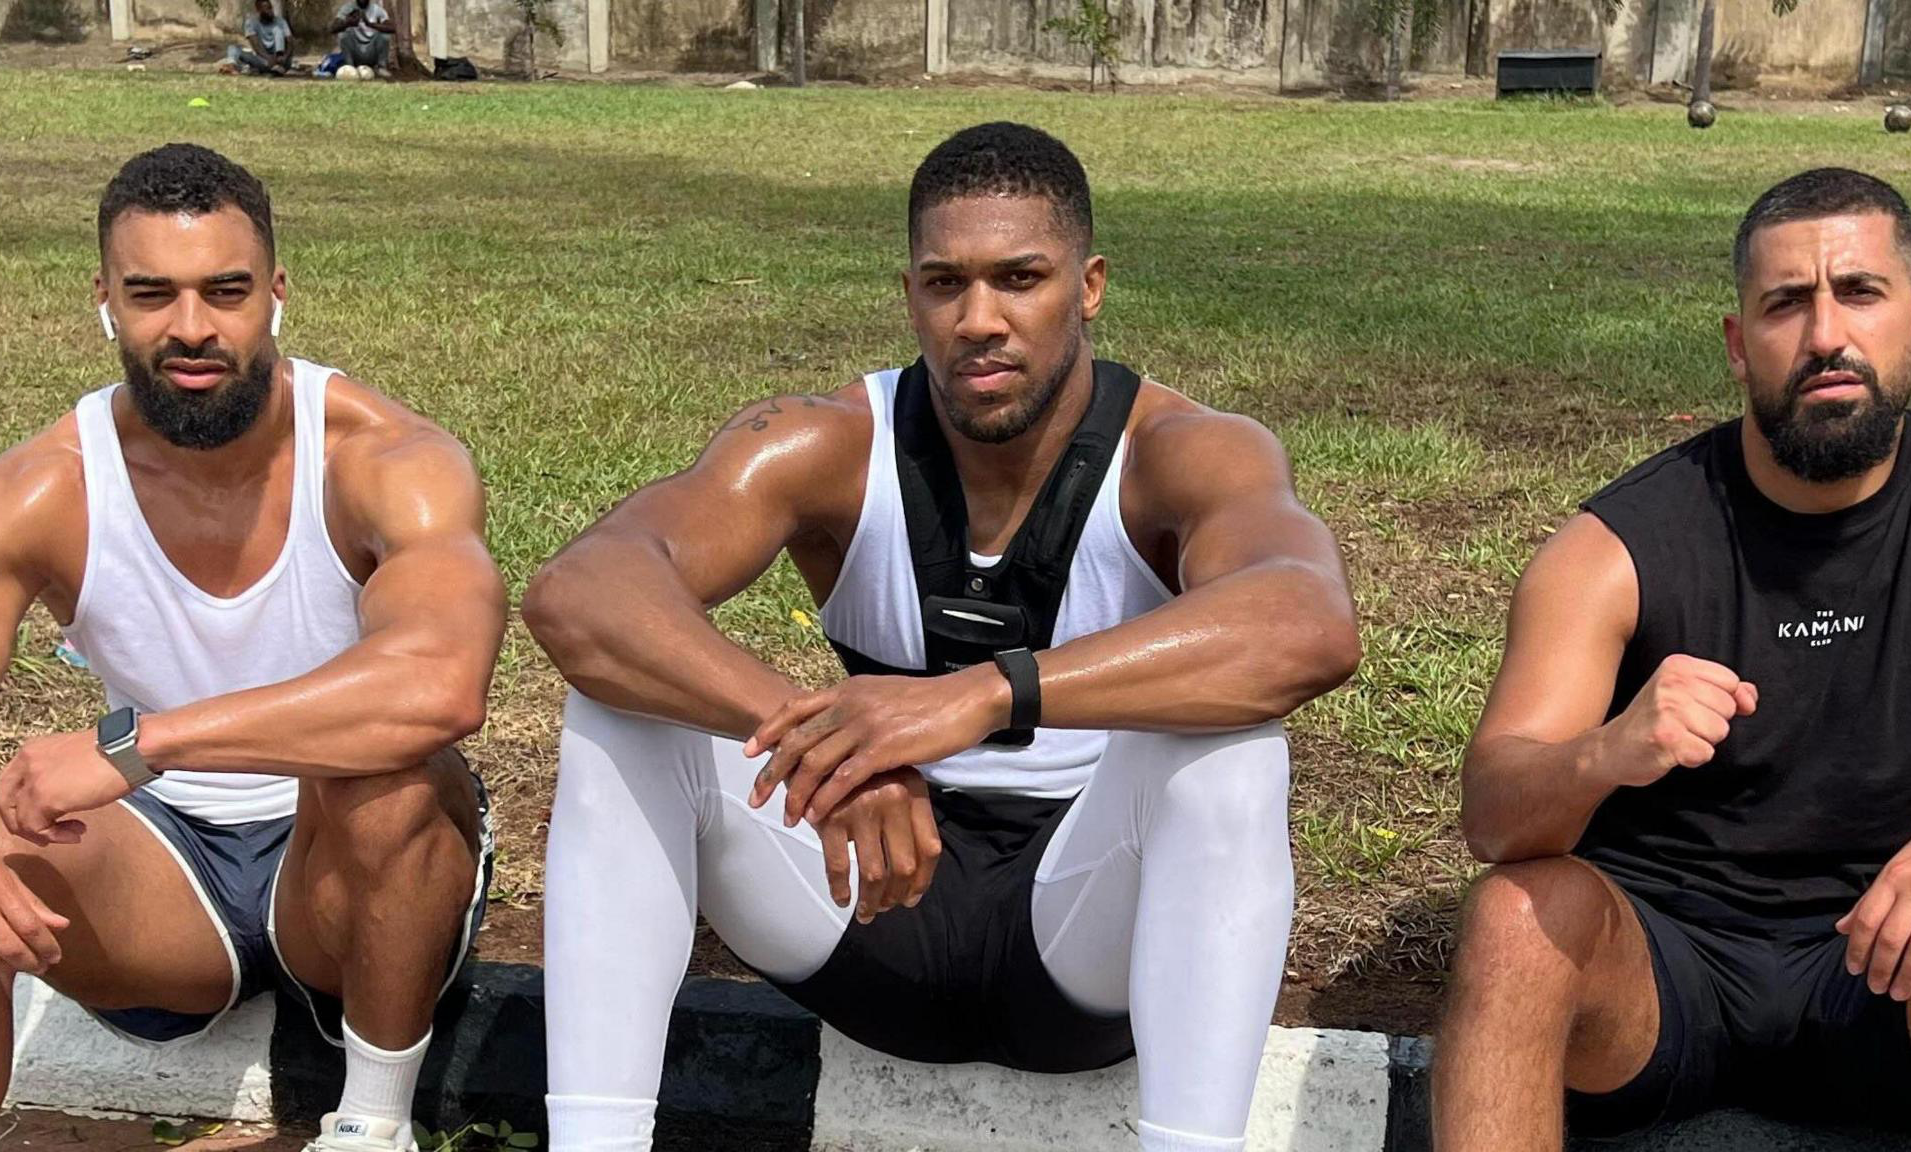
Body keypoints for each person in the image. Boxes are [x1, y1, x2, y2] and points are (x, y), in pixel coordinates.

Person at [524, 121, 1361, 1152]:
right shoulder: (827, 439)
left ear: (1089, 286)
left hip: (1085, 935)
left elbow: (1306, 623)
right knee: (620, 710)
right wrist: (830, 743)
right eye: (944, 284)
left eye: (1020, 279)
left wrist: (976, 696)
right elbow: (581, 592)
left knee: (1229, 755)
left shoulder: (1186, 450)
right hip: (871, 914)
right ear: (909, 294)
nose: (979, 320)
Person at [1434, 167, 1911, 1151]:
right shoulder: (1613, 551)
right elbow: (1491, 815)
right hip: (1659, 980)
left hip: (1892, 967)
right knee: (1513, 920)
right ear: (1739, 346)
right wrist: (1604, 752)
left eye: (1858, 292)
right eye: (1786, 304)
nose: (1825, 335)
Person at [0, 144, 506, 1152]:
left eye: (225, 291)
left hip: (345, 870)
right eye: (151, 294)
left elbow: (440, 687)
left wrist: (142, 744)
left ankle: (371, 1128)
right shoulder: (38, 490)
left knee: (387, 771)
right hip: (158, 873)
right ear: (105, 302)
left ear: (276, 294)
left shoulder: (385, 459)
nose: (192, 327)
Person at [223, 0, 294, 76]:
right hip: (263, 58)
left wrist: (285, 56)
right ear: (259, 10)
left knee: (278, 30)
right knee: (232, 48)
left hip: (280, 59)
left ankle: (274, 68)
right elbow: (256, 46)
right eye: (267, 8)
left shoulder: (281, 22)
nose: (270, 11)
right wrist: (268, 58)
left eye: (270, 8)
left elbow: (290, 42)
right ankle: (231, 66)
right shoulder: (251, 23)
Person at [330, 0, 393, 75]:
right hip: (355, 52)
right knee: (343, 34)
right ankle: (350, 67)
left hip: (371, 51)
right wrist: (347, 23)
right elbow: (332, 29)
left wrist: (369, 24)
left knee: (385, 35)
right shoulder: (347, 8)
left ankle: (381, 67)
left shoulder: (377, 9)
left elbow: (391, 28)